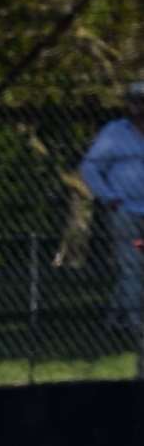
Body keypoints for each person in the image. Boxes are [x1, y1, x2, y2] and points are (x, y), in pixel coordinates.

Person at [79, 81, 144, 337]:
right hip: (125, 212)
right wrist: (108, 197)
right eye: (134, 101)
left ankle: (114, 321)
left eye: (142, 101)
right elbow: (90, 167)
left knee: (137, 267)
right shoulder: (115, 132)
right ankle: (135, 323)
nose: (138, 106)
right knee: (131, 266)